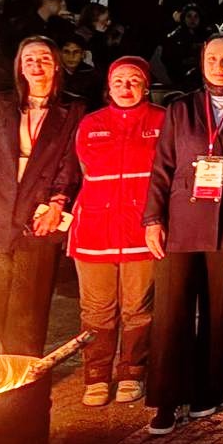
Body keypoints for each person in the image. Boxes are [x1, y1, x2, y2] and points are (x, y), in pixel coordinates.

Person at [142, 34, 223, 435]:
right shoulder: (181, 108)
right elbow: (161, 166)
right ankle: (167, 398)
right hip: (181, 219)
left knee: (219, 311)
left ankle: (209, 391)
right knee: (171, 311)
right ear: (201, 61)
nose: (220, 66)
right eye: (213, 58)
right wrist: (153, 218)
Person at [0, 37, 85, 356]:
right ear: (20, 67)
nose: (36, 65)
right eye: (28, 59)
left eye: (43, 58)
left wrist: (58, 204)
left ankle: (23, 380)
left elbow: (71, 162)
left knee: (28, 312)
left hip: (39, 216)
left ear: (56, 64)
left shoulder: (74, 109)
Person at [68, 57, 163, 406]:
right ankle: (95, 374)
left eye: (134, 81)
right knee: (96, 309)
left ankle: (132, 371)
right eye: (119, 81)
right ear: (109, 87)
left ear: (146, 86)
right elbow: (79, 168)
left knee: (138, 307)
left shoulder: (161, 120)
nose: (126, 87)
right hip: (95, 230)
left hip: (141, 229)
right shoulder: (90, 123)